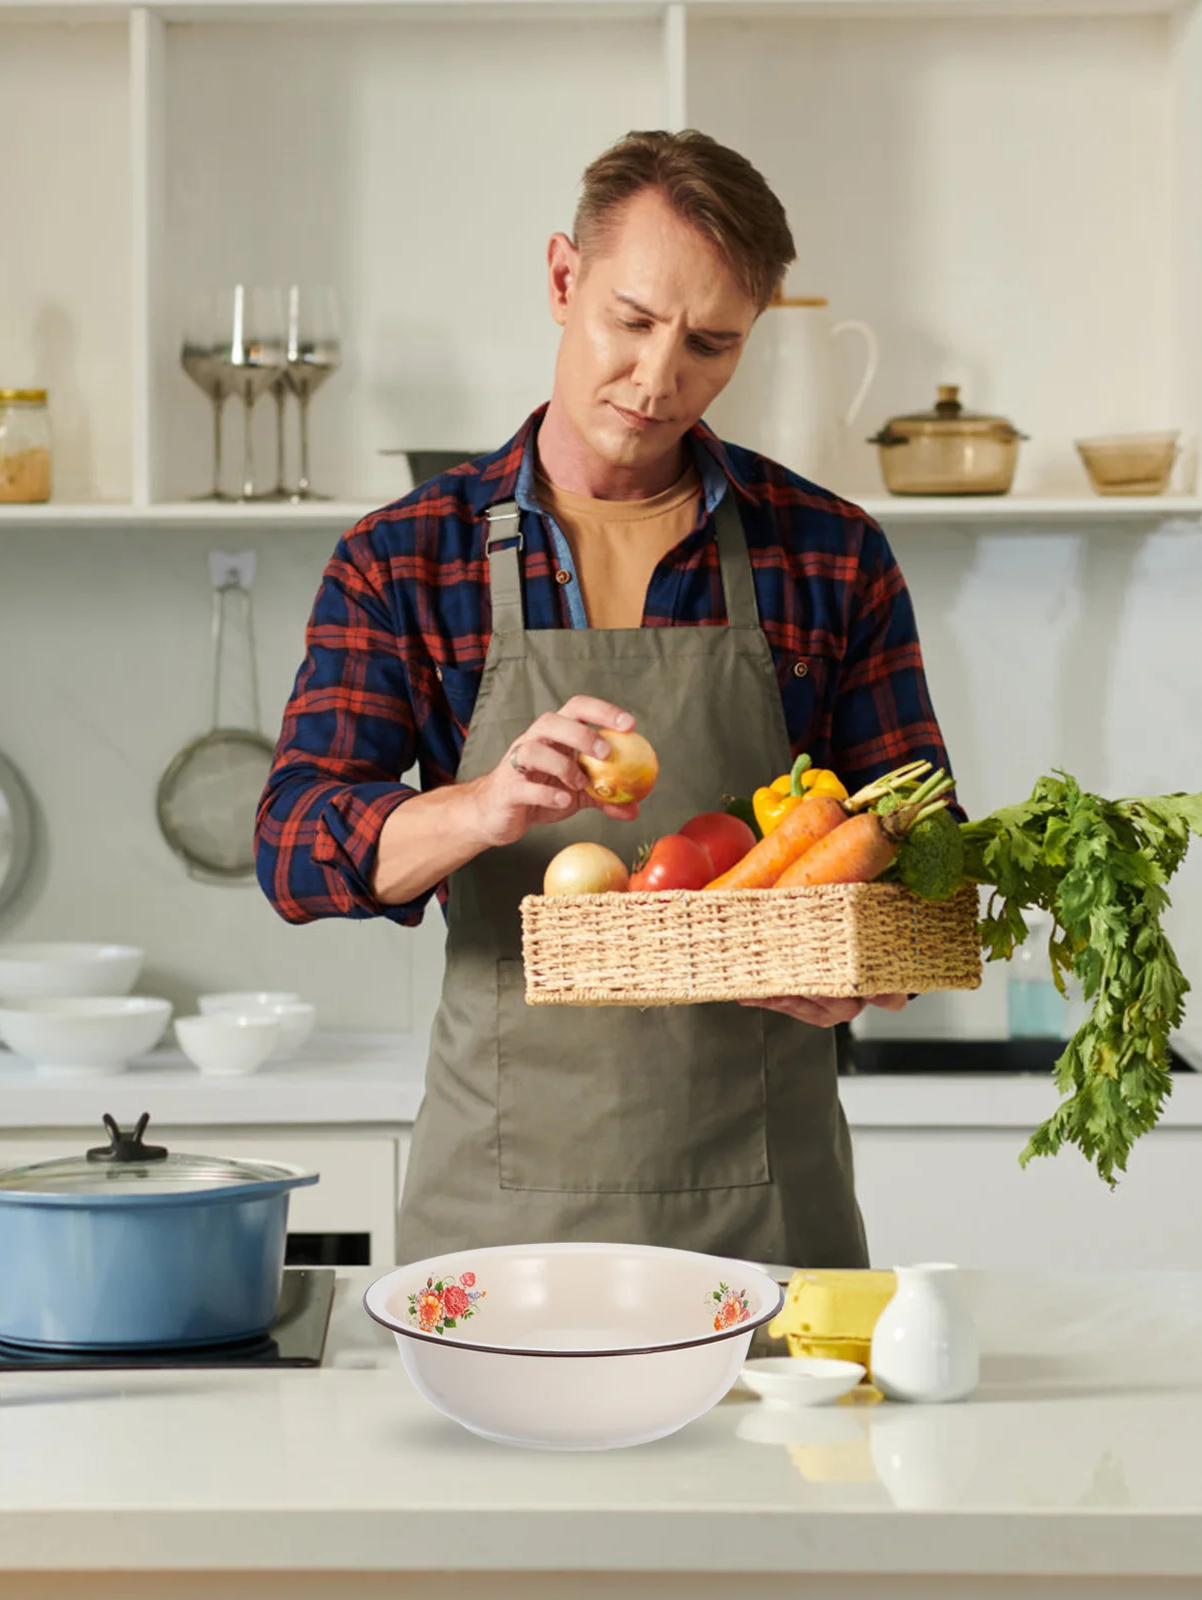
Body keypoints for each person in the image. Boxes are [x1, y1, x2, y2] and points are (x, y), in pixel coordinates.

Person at [256, 129, 955, 1269]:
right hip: (500, 1215)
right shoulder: (404, 558)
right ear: (561, 279)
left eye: (711, 344)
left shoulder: (827, 554)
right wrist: (481, 807)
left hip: (769, 1213)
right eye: (631, 320)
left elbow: (927, 860)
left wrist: (865, 965)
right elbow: (294, 848)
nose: (658, 376)